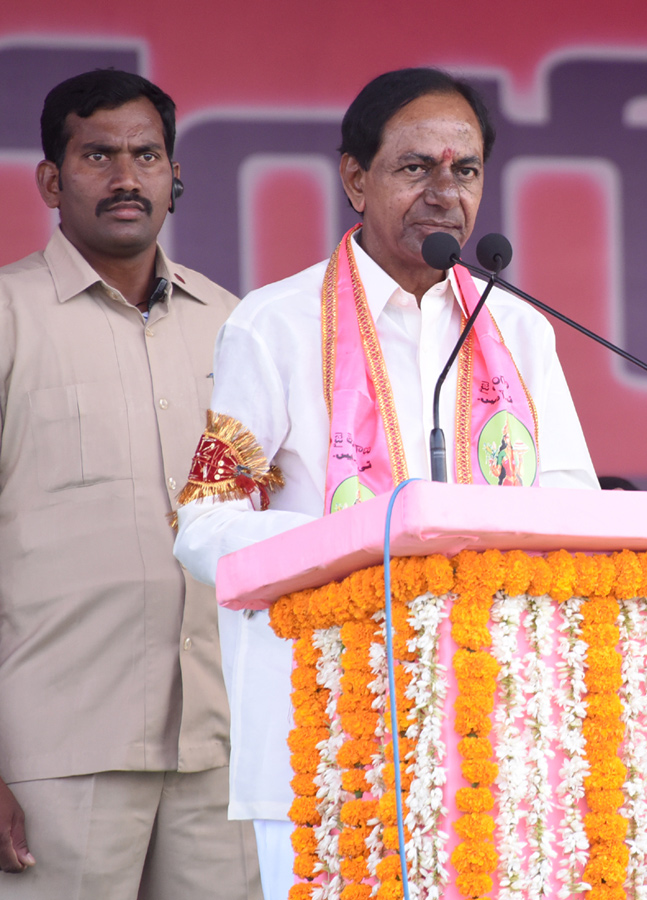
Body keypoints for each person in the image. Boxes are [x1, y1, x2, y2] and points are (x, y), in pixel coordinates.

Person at [172, 67, 597, 899]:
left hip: (496, 726)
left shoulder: (516, 328)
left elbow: (573, 506)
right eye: (415, 168)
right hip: (329, 733)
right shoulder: (275, 324)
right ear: (355, 179)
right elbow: (203, 527)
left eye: (464, 170)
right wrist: (364, 543)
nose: (444, 192)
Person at [0, 70, 260, 898]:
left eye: (147, 155)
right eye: (97, 154)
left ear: (175, 177)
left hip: (221, 752)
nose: (125, 178)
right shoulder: (8, 318)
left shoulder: (237, 327)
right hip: (54, 753)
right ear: (51, 179)